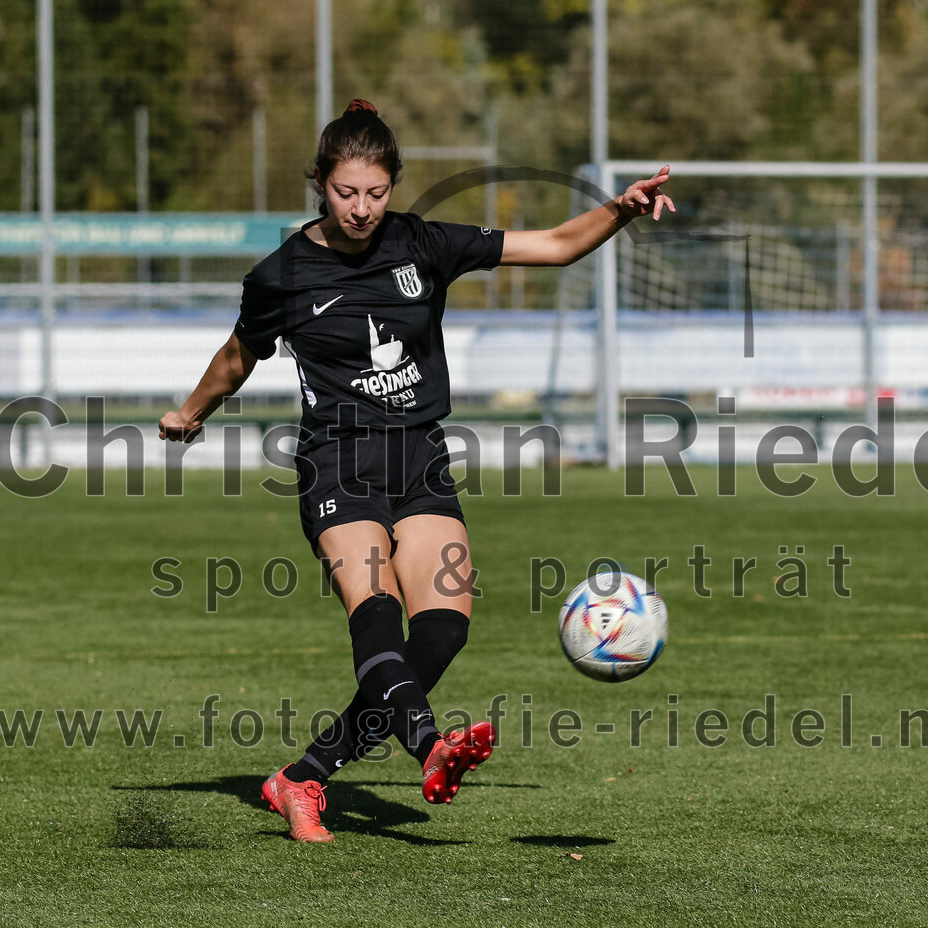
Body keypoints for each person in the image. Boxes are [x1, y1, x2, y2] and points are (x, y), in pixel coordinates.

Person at [159, 98, 675, 843]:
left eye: (376, 192)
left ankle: (302, 779)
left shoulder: (422, 243)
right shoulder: (282, 275)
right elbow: (239, 355)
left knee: (441, 631)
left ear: (393, 186)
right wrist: (191, 409)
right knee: (376, 612)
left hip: (420, 459)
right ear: (320, 183)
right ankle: (432, 748)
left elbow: (557, 245)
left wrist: (620, 212)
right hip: (337, 462)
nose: (362, 209)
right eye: (345, 193)